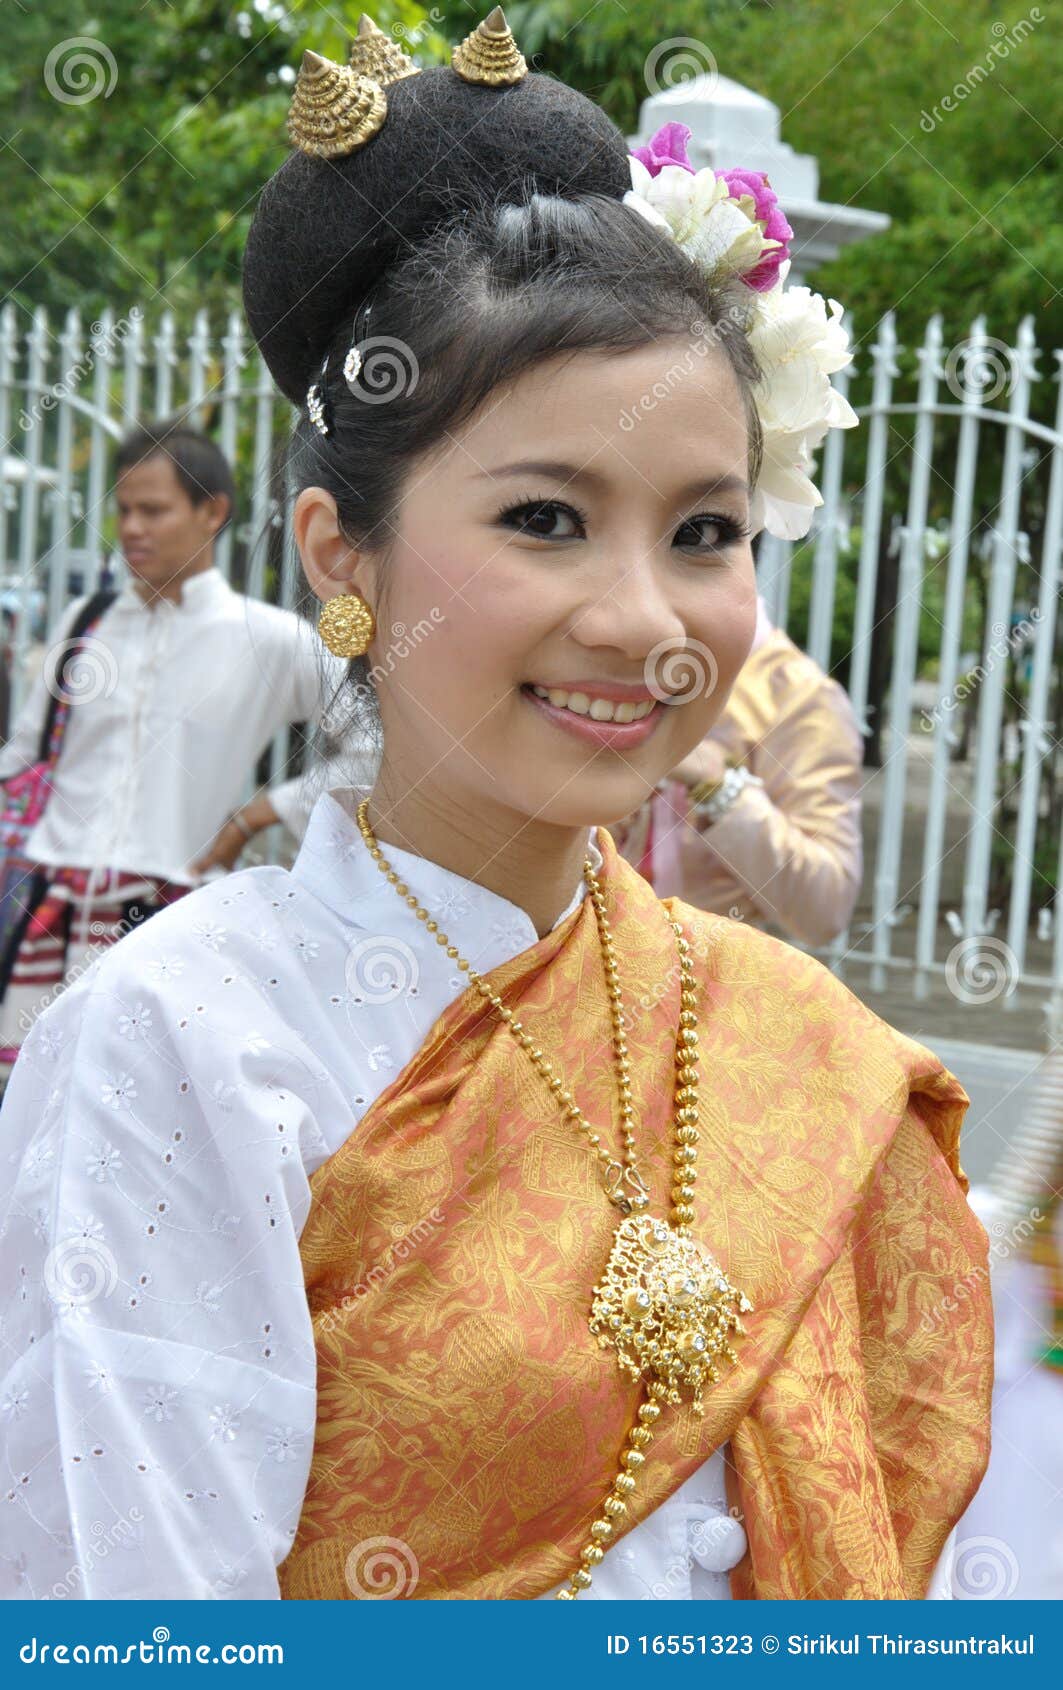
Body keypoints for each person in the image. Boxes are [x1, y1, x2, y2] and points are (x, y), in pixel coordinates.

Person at [0, 10, 990, 1602]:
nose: (646, 619)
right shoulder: (184, 1041)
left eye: (704, 530)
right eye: (544, 516)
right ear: (339, 550)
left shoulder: (785, 1041)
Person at [0, 420, 367, 1082]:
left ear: (212, 512)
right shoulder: (85, 622)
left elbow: (375, 745)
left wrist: (256, 817)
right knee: (29, 1111)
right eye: (122, 509)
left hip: (171, 917)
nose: (131, 527)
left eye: (153, 509)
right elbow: (24, 754)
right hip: (49, 911)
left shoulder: (268, 639)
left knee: (143, 1111)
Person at [612, 587, 864, 947]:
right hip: (592, 970)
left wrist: (720, 787)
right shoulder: (624, 659)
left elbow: (825, 910)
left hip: (716, 984)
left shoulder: (799, 696)